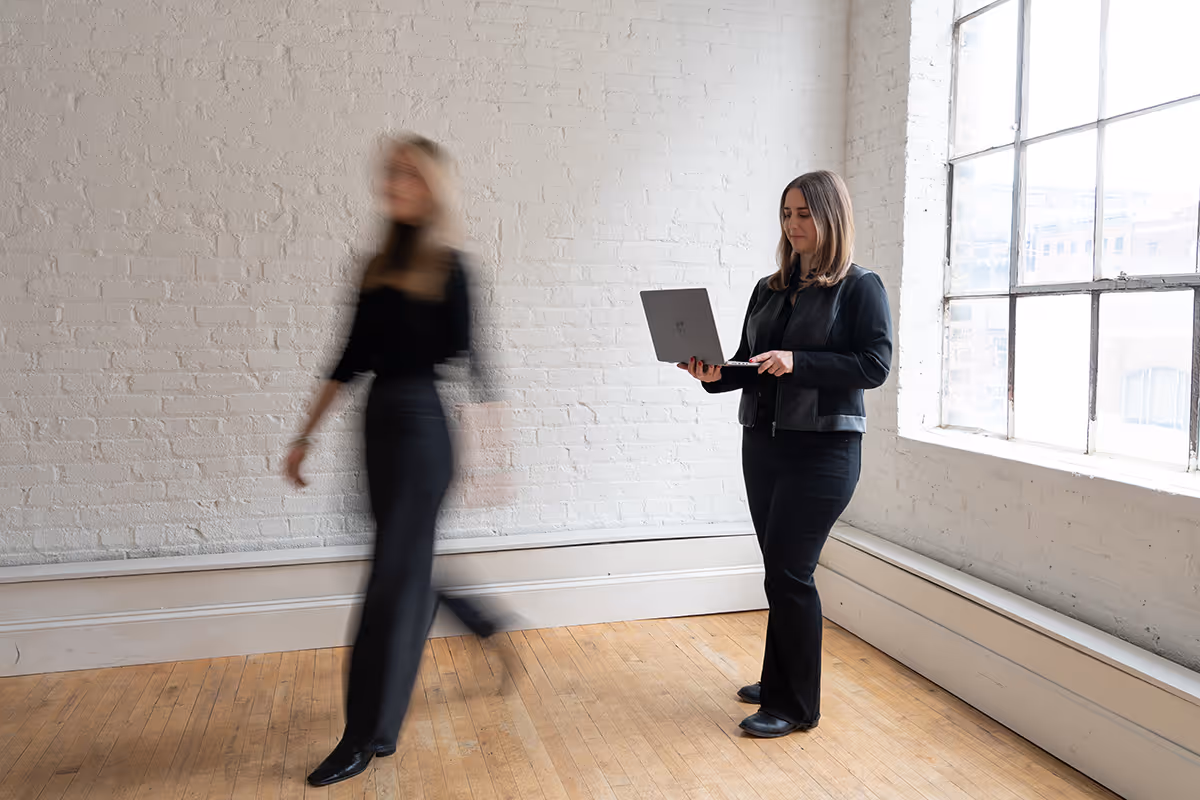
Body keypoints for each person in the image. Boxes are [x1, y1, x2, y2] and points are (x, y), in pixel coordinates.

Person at [283, 134, 505, 787]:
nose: (392, 183)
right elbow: (346, 360)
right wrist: (304, 437)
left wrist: (491, 459)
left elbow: (478, 365)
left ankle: (361, 736)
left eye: (408, 175)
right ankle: (473, 620)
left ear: (432, 187)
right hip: (378, 427)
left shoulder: (453, 269)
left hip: (423, 431)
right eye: (389, 173)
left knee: (388, 580)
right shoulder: (373, 268)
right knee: (401, 571)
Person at [679, 170, 892, 738]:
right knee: (779, 570)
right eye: (787, 214)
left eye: (805, 214)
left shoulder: (860, 287)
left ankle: (795, 704)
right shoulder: (767, 289)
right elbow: (750, 362)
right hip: (764, 446)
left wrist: (799, 362)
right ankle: (780, 677)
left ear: (831, 218)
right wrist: (712, 373)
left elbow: (874, 365)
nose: (794, 225)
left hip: (824, 452)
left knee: (792, 574)